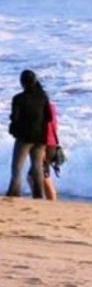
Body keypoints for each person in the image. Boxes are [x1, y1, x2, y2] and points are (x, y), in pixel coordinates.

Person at [7, 69, 50, 198]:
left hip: (24, 137)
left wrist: (14, 128)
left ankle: (14, 192)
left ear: (22, 83)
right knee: (37, 167)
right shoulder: (43, 98)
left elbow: (14, 118)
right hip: (41, 137)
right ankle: (38, 194)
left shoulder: (18, 99)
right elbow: (49, 118)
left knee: (17, 167)